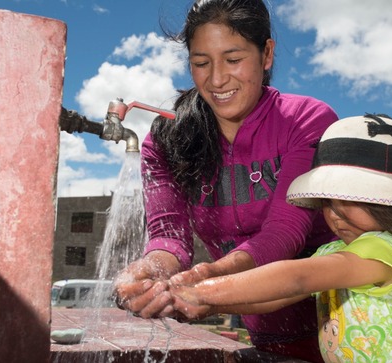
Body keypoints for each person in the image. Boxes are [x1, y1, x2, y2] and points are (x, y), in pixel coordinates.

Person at [113, 0, 338, 361]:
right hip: (266, 339)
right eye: (201, 63)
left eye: (233, 60)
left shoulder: (306, 121)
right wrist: (145, 274)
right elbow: (168, 237)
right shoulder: (167, 142)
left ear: (266, 54)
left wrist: (208, 281)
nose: (216, 79)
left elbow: (284, 236)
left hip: (344, 333)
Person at [170, 114, 392, 362]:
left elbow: (297, 278)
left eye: (349, 200)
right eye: (327, 202)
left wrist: (201, 291)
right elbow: (280, 295)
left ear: (388, 203)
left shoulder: (387, 249)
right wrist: (211, 305)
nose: (335, 214)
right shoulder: (333, 250)